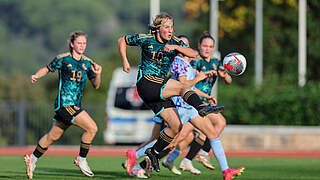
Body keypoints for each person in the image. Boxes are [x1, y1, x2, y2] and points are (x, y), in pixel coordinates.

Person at [118, 12, 223, 173]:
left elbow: (194, 54)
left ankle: (152, 153)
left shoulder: (175, 42)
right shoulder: (146, 39)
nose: (170, 30)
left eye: (172, 27)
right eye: (167, 27)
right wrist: (125, 61)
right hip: (146, 83)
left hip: (159, 89)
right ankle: (202, 108)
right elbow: (122, 40)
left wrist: (175, 47)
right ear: (158, 29)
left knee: (176, 127)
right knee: (182, 88)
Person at [24, 31, 102, 179]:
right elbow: (47, 69)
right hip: (64, 104)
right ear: (72, 44)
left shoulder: (88, 63)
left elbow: (96, 85)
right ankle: (81, 159)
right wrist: (36, 75)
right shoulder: (63, 59)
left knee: (52, 136)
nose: (82, 46)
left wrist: (98, 74)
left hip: (75, 105)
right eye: (79, 43)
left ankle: (32, 159)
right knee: (92, 128)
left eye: (84, 43)